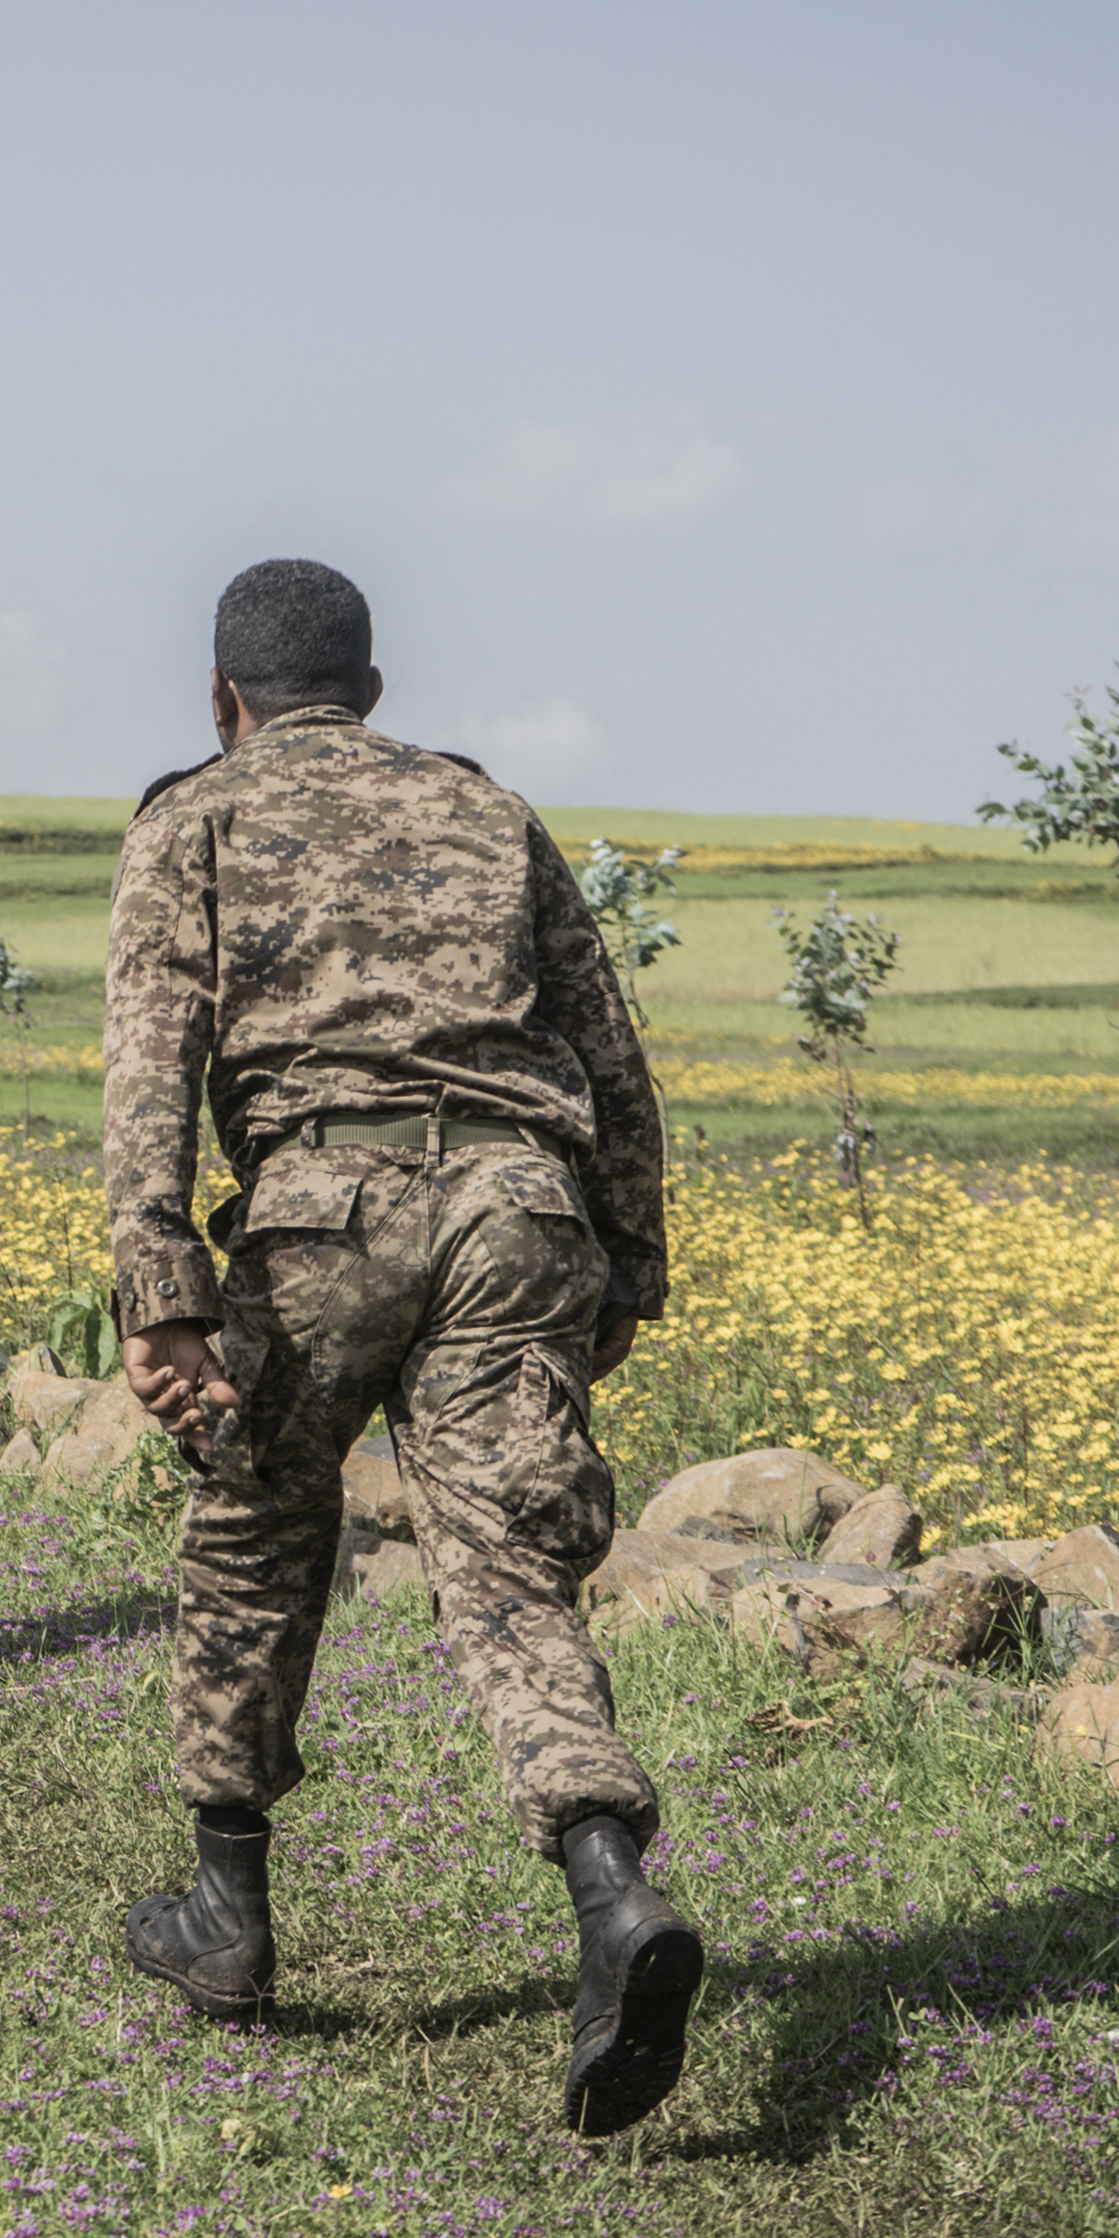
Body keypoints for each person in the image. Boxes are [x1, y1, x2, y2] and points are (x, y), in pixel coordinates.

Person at [99, 558, 701, 2137]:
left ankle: (229, 1917)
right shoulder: (486, 810)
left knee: (252, 1537)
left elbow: (149, 1060)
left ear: (223, 695)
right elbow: (608, 1048)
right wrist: (626, 1254)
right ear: (369, 691)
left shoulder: (197, 813)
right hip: (522, 1207)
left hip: (320, 1209)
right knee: (510, 1568)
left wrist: (158, 1283)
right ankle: (608, 1891)